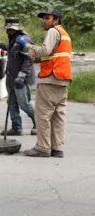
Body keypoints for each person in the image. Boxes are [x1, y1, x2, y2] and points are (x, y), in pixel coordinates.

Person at [23, 8, 72, 158]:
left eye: (47, 18)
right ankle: (57, 148)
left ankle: (43, 148)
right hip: (62, 79)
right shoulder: (65, 35)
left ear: (56, 20)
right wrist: (33, 57)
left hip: (50, 78)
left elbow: (45, 50)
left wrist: (28, 46)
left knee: (43, 114)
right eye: (43, 18)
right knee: (58, 116)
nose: (44, 21)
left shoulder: (53, 31)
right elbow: (52, 55)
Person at [0, 17, 36, 136]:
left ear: (17, 29)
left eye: (12, 29)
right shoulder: (14, 40)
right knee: (12, 103)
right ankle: (16, 127)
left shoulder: (24, 40)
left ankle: (38, 124)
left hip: (21, 79)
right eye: (8, 29)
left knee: (24, 104)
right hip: (11, 77)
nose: (9, 31)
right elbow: (10, 48)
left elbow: (29, 59)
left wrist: (22, 75)